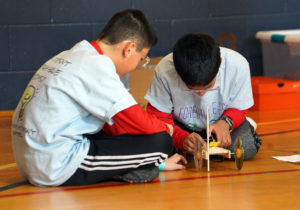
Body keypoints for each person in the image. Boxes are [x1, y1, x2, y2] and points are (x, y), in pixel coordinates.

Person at [11, 9, 186, 187]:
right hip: (55, 165)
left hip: (32, 158)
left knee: (111, 127)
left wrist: (158, 161)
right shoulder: (97, 66)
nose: (138, 65)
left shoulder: (74, 55)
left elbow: (115, 125)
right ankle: (127, 168)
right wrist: (168, 129)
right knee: (161, 141)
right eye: (142, 58)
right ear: (129, 48)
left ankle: (136, 165)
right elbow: (140, 123)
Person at [145, 33, 261, 160]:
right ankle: (193, 147)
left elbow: (239, 106)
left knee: (247, 147)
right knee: (155, 146)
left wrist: (226, 122)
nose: (201, 94)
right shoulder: (164, 70)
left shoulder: (238, 65)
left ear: (220, 63)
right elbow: (159, 115)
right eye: (191, 88)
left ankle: (240, 126)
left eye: (208, 86)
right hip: (179, 125)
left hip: (221, 123)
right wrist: (180, 137)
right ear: (176, 71)